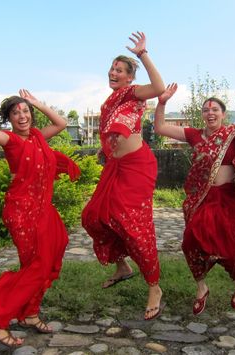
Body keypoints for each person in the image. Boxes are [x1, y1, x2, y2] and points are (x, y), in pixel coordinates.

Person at [154, 83, 235, 315]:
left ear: (223, 114)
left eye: (215, 110)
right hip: (202, 198)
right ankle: (201, 287)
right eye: (206, 110)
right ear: (202, 114)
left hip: (227, 199)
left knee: (227, 245)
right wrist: (162, 102)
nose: (210, 113)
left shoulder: (234, 133)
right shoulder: (193, 135)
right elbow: (159, 127)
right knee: (190, 240)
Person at [0, 84, 80, 347]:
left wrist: (37, 103)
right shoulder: (11, 140)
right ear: (10, 119)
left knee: (47, 259)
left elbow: (61, 123)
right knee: (36, 266)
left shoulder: (37, 136)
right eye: (16, 113)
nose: (22, 116)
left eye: (25, 111)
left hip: (43, 210)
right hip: (22, 213)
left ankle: (29, 313)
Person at [81, 32, 165, 321]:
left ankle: (154, 286)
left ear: (130, 78)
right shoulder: (110, 100)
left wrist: (142, 54)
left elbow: (158, 86)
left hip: (137, 167)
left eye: (119, 70)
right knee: (93, 216)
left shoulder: (132, 93)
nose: (113, 73)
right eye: (112, 69)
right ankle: (123, 266)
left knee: (131, 222)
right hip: (114, 168)